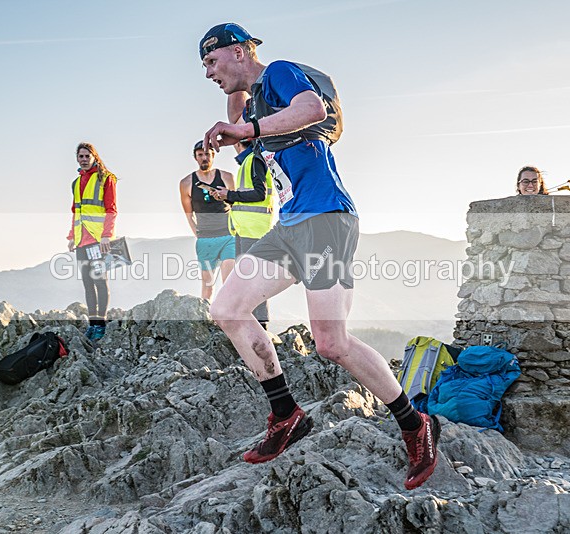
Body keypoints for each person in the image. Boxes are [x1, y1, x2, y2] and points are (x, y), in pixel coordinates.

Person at [199, 23, 440, 490]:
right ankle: (285, 413)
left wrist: (244, 127)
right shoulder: (256, 102)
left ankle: (415, 425)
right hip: (289, 226)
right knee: (226, 308)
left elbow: (313, 109)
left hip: (327, 218)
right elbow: (241, 114)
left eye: (211, 61)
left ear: (240, 51)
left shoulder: (278, 73)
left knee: (331, 343)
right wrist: (239, 124)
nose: (208, 72)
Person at [213, 126, 275, 330]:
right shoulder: (250, 160)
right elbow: (249, 198)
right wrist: (227, 197)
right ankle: (249, 324)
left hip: (254, 230)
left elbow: (259, 194)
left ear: (239, 142)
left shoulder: (254, 160)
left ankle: (261, 326)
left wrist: (230, 195)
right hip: (245, 229)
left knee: (253, 279)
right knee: (245, 279)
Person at [67, 142, 118, 341]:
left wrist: (107, 235)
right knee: (87, 284)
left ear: (94, 157)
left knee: (99, 281)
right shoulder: (76, 183)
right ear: (77, 159)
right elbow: (76, 212)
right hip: (81, 241)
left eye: (87, 156)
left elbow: (111, 209)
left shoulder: (106, 178)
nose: (84, 159)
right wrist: (72, 236)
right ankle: (92, 324)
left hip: (98, 240)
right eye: (80, 156)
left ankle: (100, 325)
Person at [179, 140, 236, 301]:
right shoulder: (186, 183)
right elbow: (189, 214)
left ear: (213, 156)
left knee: (229, 282)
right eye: (200, 155)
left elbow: (235, 205)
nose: (204, 158)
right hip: (205, 238)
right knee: (208, 285)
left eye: (207, 154)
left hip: (228, 236)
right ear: (195, 157)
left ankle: (228, 314)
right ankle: (205, 314)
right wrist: (198, 234)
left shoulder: (226, 177)